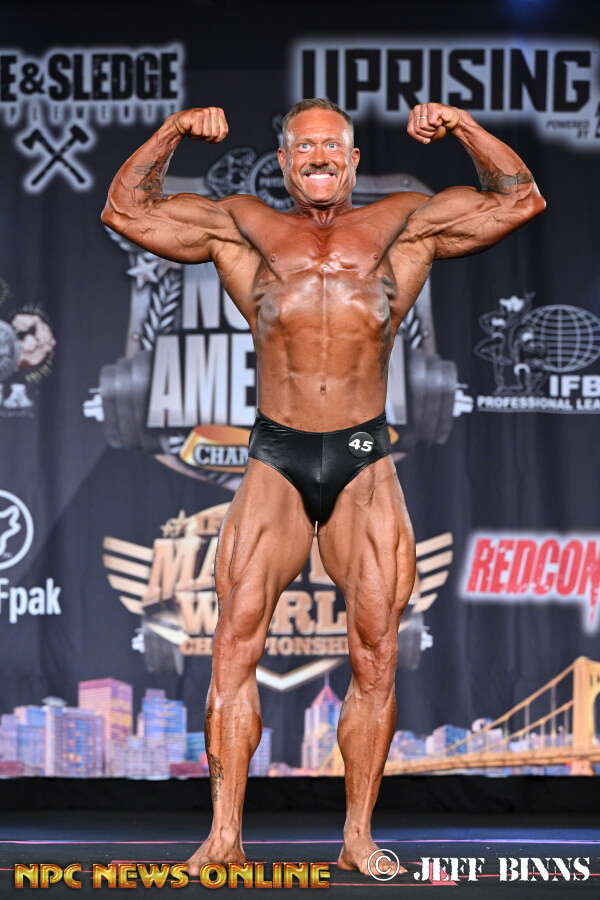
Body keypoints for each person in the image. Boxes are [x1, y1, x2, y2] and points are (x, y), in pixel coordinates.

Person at [101, 98, 544, 875]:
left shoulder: (403, 225)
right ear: (283, 162)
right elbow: (126, 210)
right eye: (303, 148)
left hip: (364, 460)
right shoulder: (243, 226)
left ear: (352, 159)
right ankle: (225, 836)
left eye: (331, 147)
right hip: (276, 456)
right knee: (233, 647)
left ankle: (357, 838)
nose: (318, 157)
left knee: (376, 654)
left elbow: (519, 199)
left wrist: (463, 127)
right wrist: (172, 131)